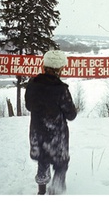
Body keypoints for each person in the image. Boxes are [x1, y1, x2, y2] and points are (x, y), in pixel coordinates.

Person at [25, 50, 77, 195]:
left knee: (43, 161)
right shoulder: (61, 90)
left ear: (44, 66)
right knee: (61, 164)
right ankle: (56, 192)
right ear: (60, 68)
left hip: (37, 133)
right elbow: (71, 115)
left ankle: (41, 192)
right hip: (56, 136)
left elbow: (29, 106)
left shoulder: (32, 85)